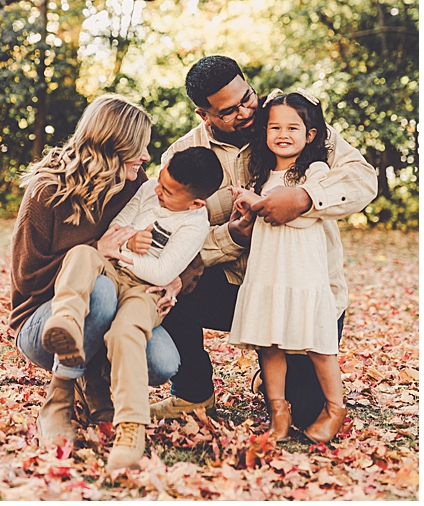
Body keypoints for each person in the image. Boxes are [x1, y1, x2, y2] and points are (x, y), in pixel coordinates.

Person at [154, 56, 377, 428]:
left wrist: (305, 198)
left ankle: (276, 377)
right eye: (230, 111)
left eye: (248, 98)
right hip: (236, 288)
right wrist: (229, 237)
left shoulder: (291, 120)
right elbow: (169, 233)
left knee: (306, 413)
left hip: (304, 288)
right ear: (203, 114)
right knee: (169, 290)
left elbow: (363, 179)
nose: (246, 112)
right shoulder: (183, 157)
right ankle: (194, 394)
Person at [9, 94, 182, 450]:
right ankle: (58, 401)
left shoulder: (137, 183)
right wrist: (92, 251)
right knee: (98, 292)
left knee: (163, 363)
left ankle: (94, 381)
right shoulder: (47, 190)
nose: (146, 157)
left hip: (117, 308)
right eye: (140, 147)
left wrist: (176, 276)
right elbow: (25, 277)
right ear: (112, 144)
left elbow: (172, 230)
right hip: (45, 319)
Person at [43, 146, 223, 470]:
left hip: (147, 292)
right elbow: (117, 226)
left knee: (126, 334)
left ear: (196, 202)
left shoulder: (196, 225)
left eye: (167, 192)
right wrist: (129, 240)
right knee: (82, 256)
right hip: (115, 270)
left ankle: (131, 429)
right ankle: (66, 320)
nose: (157, 190)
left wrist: (126, 248)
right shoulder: (149, 186)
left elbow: (162, 273)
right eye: (160, 181)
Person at [228, 92, 346, 444]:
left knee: (319, 346)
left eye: (293, 127)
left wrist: (260, 203)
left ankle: (334, 408)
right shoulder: (261, 173)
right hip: (268, 273)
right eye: (275, 127)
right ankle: (278, 409)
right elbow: (262, 222)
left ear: (310, 135)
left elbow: (300, 216)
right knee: (270, 344)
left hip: (304, 274)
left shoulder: (316, 171)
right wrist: (246, 211)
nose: (283, 134)